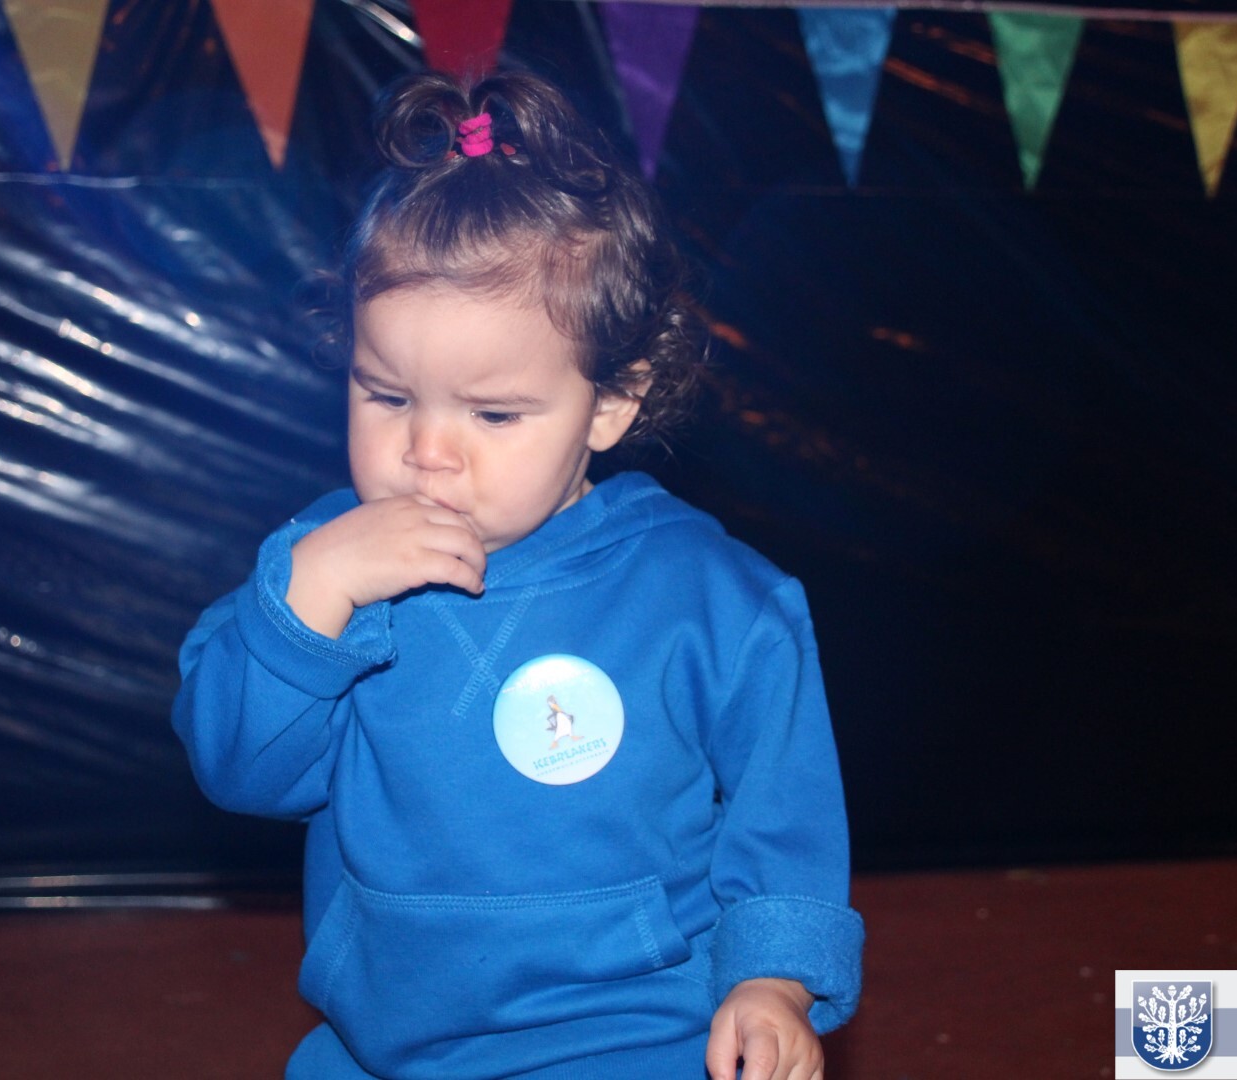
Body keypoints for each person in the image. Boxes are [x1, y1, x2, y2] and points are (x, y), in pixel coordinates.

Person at [172, 69, 863, 1080]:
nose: (428, 453)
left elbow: (784, 814)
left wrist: (775, 979)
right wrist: (308, 603)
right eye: (386, 395)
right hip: (389, 1047)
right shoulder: (324, 566)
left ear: (611, 404)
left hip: (637, 1040)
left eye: (492, 414)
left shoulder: (714, 598)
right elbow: (239, 774)